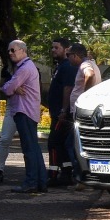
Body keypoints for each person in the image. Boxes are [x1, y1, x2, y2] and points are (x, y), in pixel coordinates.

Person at [1, 39, 46, 195]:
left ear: (23, 50)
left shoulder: (24, 68)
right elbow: (12, 87)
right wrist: (13, 87)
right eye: (9, 50)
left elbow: (7, 89)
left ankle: (31, 182)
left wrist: (12, 87)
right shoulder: (26, 67)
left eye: (13, 50)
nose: (10, 53)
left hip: (24, 111)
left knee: (29, 149)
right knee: (33, 147)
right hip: (28, 112)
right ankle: (40, 182)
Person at [44, 37, 78, 187]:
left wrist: (63, 110)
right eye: (52, 48)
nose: (53, 50)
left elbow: (68, 89)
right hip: (57, 112)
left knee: (53, 142)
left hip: (62, 114)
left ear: (66, 49)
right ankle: (66, 174)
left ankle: (53, 174)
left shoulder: (67, 67)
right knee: (61, 144)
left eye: (56, 48)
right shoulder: (60, 66)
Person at [67, 42, 101, 187]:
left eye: (69, 55)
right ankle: (87, 178)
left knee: (73, 145)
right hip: (87, 111)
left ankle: (81, 178)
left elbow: (90, 75)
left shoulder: (84, 65)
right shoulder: (92, 63)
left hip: (81, 113)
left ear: (75, 55)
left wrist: (84, 95)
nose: (68, 58)